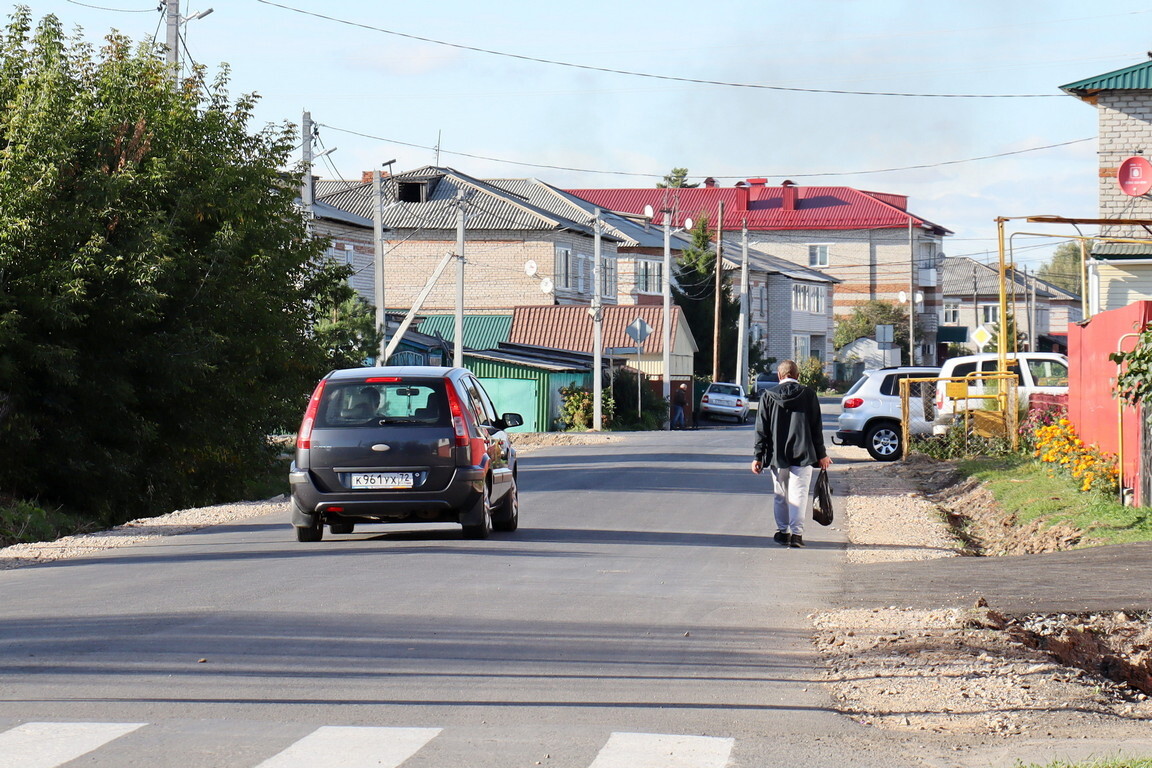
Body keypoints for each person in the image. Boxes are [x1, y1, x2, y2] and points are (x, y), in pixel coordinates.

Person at [750, 360, 832, 548]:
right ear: (798, 376)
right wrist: (822, 454)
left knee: (781, 494)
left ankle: (783, 532)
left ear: (779, 376)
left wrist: (758, 456)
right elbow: (816, 428)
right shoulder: (809, 394)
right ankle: (797, 535)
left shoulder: (767, 396)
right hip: (804, 452)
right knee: (799, 494)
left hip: (776, 454)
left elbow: (761, 429)